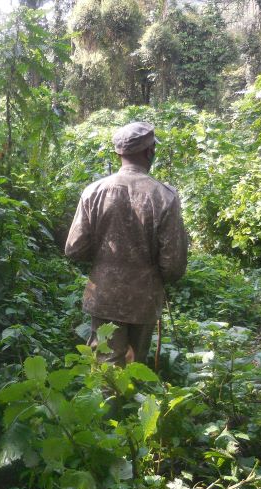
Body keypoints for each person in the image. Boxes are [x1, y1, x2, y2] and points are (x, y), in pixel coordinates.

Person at [65, 121, 187, 366]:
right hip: (144, 300)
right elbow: (173, 265)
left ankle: (104, 404)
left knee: (104, 368)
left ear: (119, 152)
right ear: (149, 151)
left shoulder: (94, 191)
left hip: (103, 296)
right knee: (133, 369)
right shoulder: (164, 196)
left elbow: (74, 248)